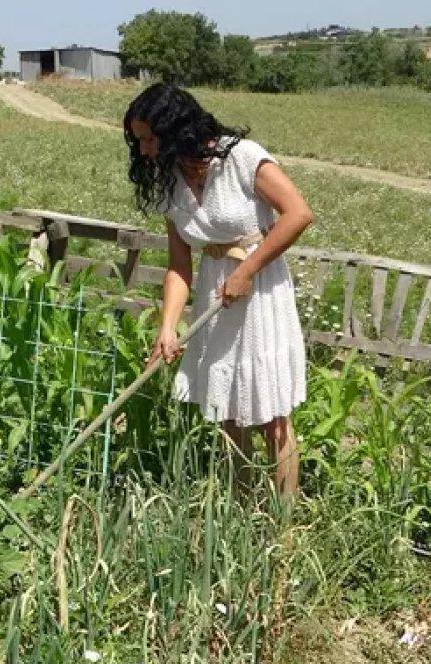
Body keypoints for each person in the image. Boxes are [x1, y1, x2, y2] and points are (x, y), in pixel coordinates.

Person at [124, 83, 314, 500]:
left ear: (175, 130)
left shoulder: (242, 158)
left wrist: (246, 271)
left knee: (271, 417)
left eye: (150, 139)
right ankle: (239, 511)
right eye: (139, 141)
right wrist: (168, 328)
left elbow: (299, 214)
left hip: (260, 289)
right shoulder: (171, 182)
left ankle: (283, 524)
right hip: (215, 291)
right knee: (228, 410)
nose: (144, 150)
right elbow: (179, 266)